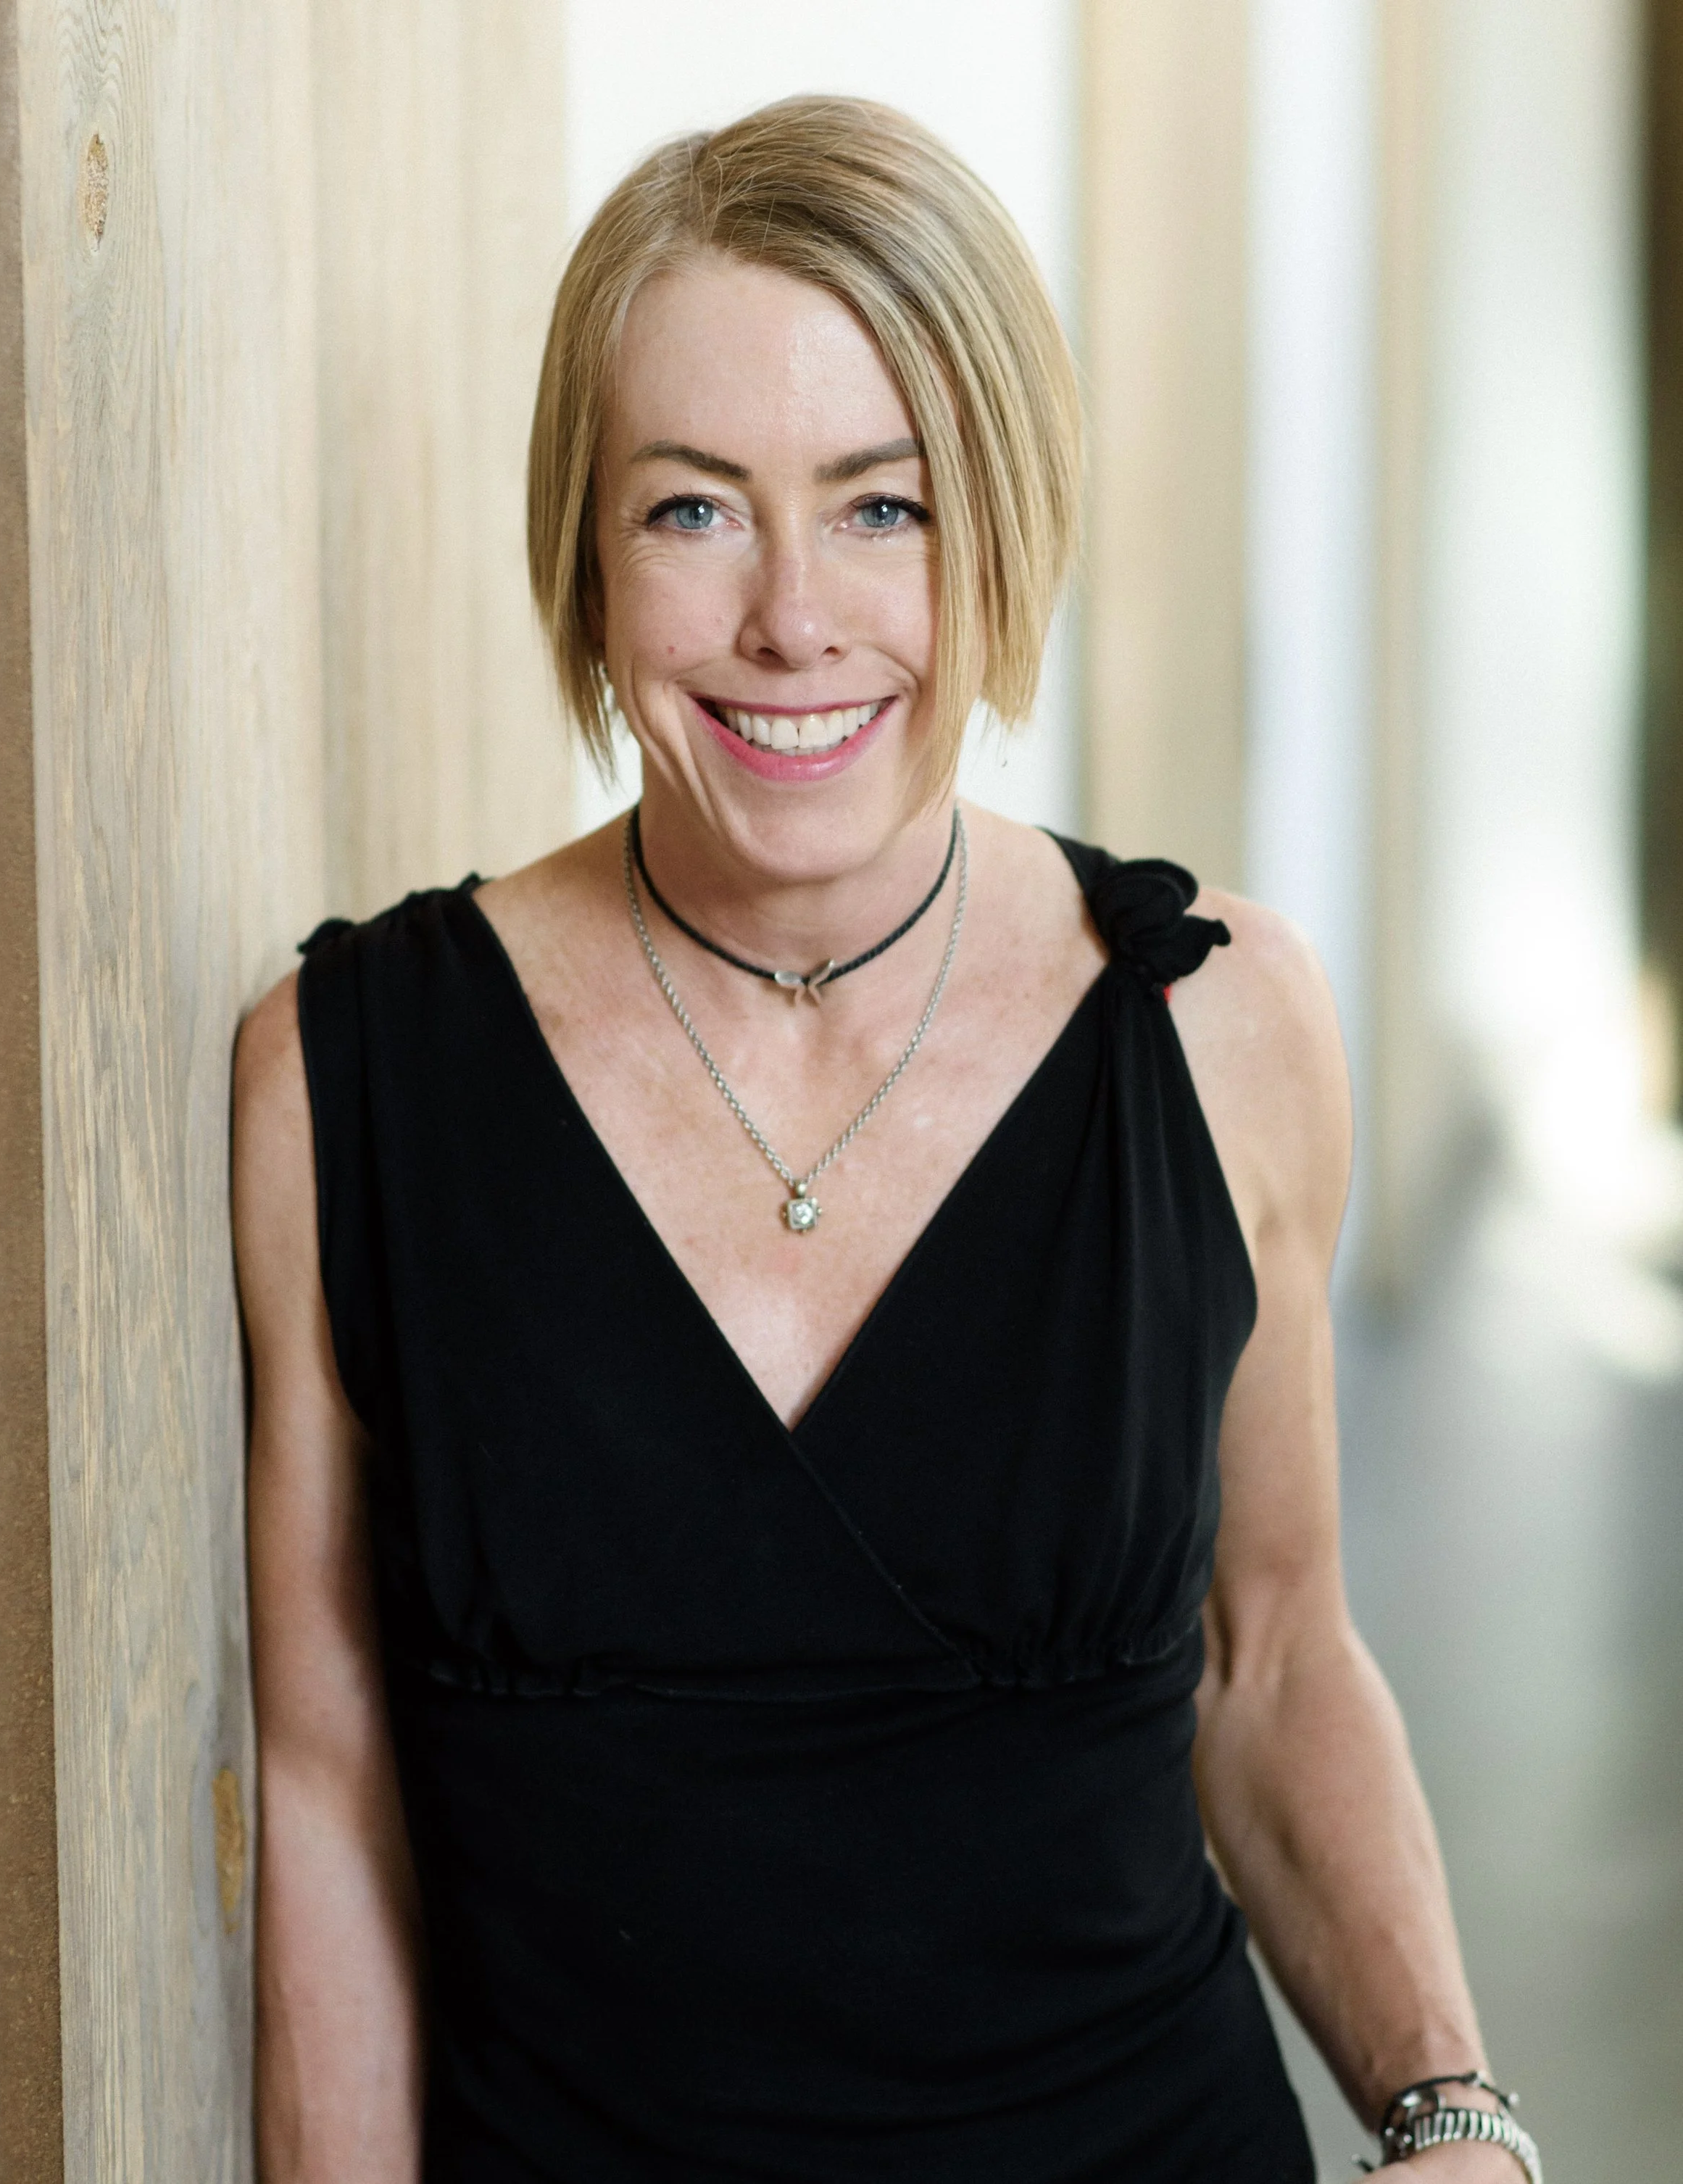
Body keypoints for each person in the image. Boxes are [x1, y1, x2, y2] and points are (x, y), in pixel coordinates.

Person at [233, 96, 1537, 2184]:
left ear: (1000, 523)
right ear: (586, 549)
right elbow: (325, 1790)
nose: (791, 618)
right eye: (691, 509)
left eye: (882, 506)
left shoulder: (1218, 1030)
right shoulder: (346, 1077)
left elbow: (1274, 1652)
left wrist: (1449, 2105)